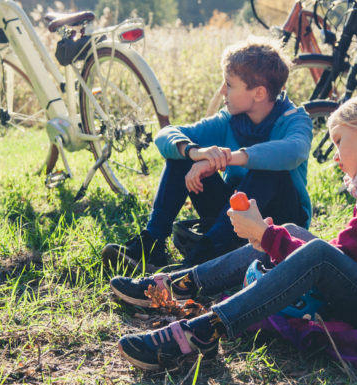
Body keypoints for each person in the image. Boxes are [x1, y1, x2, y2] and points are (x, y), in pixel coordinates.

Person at [111, 90, 357, 372]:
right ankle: (176, 285)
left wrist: (265, 236)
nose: (336, 157)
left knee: (311, 251)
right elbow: (350, 253)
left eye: (339, 140)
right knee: (292, 231)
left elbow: (332, 259)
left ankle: (204, 331)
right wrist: (270, 236)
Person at [102, 37, 312, 271]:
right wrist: (194, 152)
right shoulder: (229, 119)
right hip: (232, 220)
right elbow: (167, 134)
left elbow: (294, 150)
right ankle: (151, 246)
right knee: (181, 155)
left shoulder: (295, 119)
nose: (223, 90)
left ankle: (202, 258)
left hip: (278, 225)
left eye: (230, 85)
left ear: (259, 93)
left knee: (269, 172)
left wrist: (226, 158)